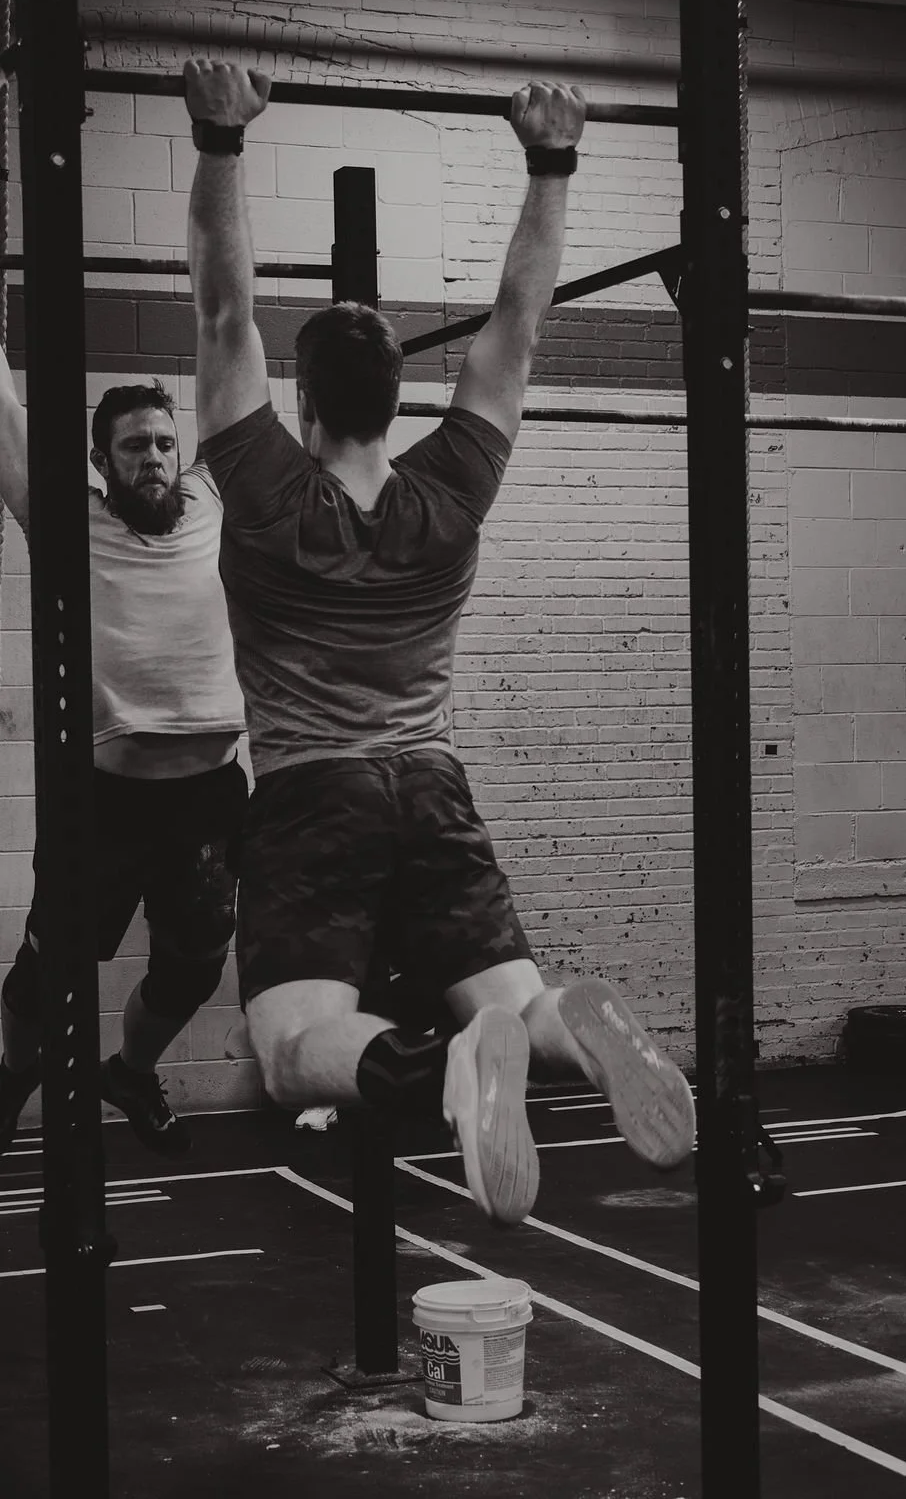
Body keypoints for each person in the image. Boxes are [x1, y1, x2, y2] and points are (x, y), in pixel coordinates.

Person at [184, 59, 695, 1225]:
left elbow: (222, 309)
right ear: (396, 400)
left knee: (293, 1044)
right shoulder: (452, 489)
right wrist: (551, 162)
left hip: (314, 791)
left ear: (302, 402)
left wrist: (220, 141)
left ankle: (450, 1065)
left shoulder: (266, 492)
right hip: (433, 782)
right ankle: (564, 1027)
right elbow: (518, 319)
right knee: (512, 995)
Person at [0, 357, 249, 1156]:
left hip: (209, 795)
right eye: (135, 446)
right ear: (101, 461)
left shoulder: (215, 499)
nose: (154, 458)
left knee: (195, 967)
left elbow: (236, 379)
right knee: (47, 975)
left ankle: (131, 1072)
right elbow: (5, 419)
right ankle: (13, 1072)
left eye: (165, 443)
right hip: (104, 803)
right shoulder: (66, 515)